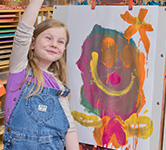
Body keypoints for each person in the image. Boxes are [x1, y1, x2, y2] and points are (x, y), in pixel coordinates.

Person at [3, 0, 79, 149]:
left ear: (64, 50)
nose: (54, 44)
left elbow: (69, 128)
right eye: (48, 38)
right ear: (32, 44)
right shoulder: (20, 70)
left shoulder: (59, 86)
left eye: (60, 41)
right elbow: (23, 32)